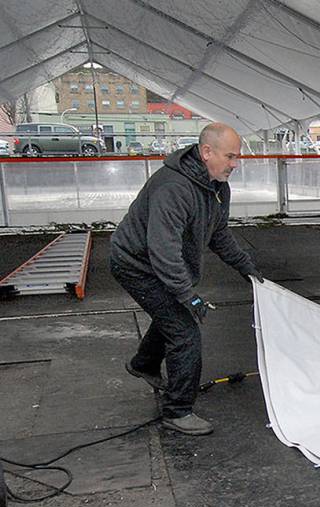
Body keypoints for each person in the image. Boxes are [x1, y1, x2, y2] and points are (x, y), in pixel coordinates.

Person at [109, 122, 262, 436]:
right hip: (136, 265)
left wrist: (249, 271)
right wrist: (187, 295)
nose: (235, 164)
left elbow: (219, 234)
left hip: (159, 263)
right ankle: (178, 411)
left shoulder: (217, 187)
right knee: (184, 332)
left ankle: (143, 364)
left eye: (237, 157)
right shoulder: (174, 188)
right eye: (230, 156)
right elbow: (163, 249)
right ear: (206, 152)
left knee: (172, 316)